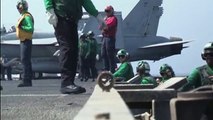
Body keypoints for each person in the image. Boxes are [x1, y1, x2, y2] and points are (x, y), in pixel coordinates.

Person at [44, 0, 106, 94]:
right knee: (67, 48)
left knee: (73, 50)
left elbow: (85, 1)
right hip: (61, 18)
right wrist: (50, 10)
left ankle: (70, 83)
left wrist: (97, 16)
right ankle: (66, 83)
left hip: (72, 21)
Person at [16, 0, 34, 87]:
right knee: (26, 60)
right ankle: (28, 80)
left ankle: (26, 80)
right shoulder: (23, 16)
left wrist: (22, 27)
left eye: (19, 7)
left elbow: (30, 28)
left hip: (26, 40)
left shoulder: (26, 17)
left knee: (24, 60)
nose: (18, 9)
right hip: (24, 40)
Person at [101, 5, 118, 73]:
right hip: (105, 37)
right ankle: (106, 69)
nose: (107, 12)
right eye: (106, 11)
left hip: (110, 38)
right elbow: (101, 27)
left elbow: (106, 26)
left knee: (110, 54)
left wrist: (104, 25)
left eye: (108, 11)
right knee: (103, 53)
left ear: (112, 11)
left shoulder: (113, 18)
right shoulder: (106, 18)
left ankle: (112, 70)